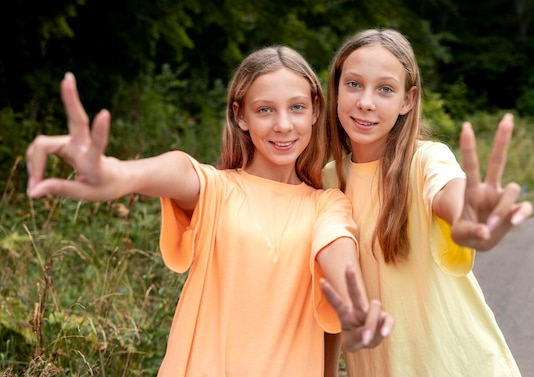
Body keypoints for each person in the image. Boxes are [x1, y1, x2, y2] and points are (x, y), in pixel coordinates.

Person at [25, 46, 394, 377]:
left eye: (297, 107)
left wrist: (353, 303)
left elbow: (336, 246)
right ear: (241, 116)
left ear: (315, 110)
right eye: (265, 109)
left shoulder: (327, 204)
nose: (283, 125)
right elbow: (176, 169)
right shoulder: (216, 189)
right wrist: (118, 174)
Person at [321, 29, 533, 376]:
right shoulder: (328, 180)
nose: (366, 102)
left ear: (408, 100)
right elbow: (327, 302)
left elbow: (449, 193)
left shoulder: (427, 160)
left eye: (385, 89)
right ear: (337, 88)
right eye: (354, 84)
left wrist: (469, 214)